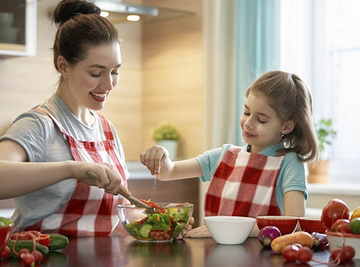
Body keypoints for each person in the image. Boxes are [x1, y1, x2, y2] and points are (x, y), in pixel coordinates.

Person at [0, 0, 194, 237]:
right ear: (63, 66)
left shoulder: (106, 130)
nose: (109, 84)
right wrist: (72, 169)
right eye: (96, 72)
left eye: (115, 71)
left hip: (99, 266)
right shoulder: (39, 123)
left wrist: (161, 227)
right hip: (42, 265)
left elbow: (110, 220)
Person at [140, 70, 319, 237]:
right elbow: (168, 172)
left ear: (287, 126)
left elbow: (294, 223)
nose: (248, 123)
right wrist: (161, 155)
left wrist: (224, 229)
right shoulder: (225, 156)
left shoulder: (289, 163)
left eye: (261, 119)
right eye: (246, 112)